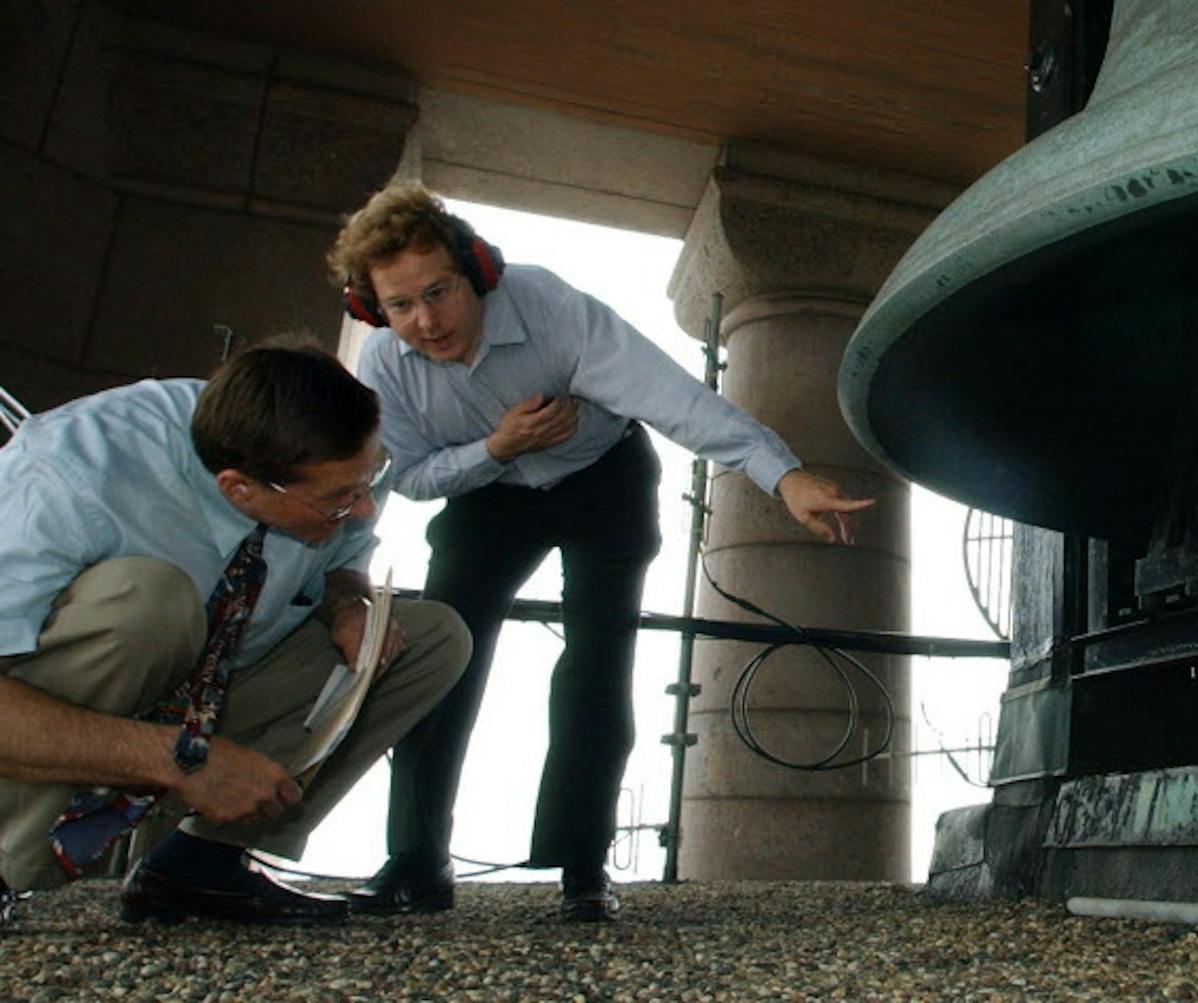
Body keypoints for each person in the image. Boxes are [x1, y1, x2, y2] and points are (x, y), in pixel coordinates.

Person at [326, 185, 874, 922]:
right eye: (400, 306)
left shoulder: (551, 308)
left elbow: (672, 398)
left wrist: (784, 475)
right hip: (486, 488)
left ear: (478, 271)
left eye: (439, 292)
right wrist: (497, 447)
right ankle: (417, 862)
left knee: (596, 660)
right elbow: (415, 477)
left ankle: (583, 867)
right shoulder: (387, 366)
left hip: (604, 478)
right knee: (441, 654)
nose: (425, 321)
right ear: (373, 310)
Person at [0, 342, 471, 928]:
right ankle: (5, 865)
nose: (365, 509)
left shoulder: (332, 457)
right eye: (338, 501)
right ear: (240, 489)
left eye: (368, 481)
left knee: (432, 639)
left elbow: (344, 560)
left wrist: (348, 604)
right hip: (71, 701)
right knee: (152, 601)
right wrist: (185, 762)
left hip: (211, 687)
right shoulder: (67, 473)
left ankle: (199, 864)